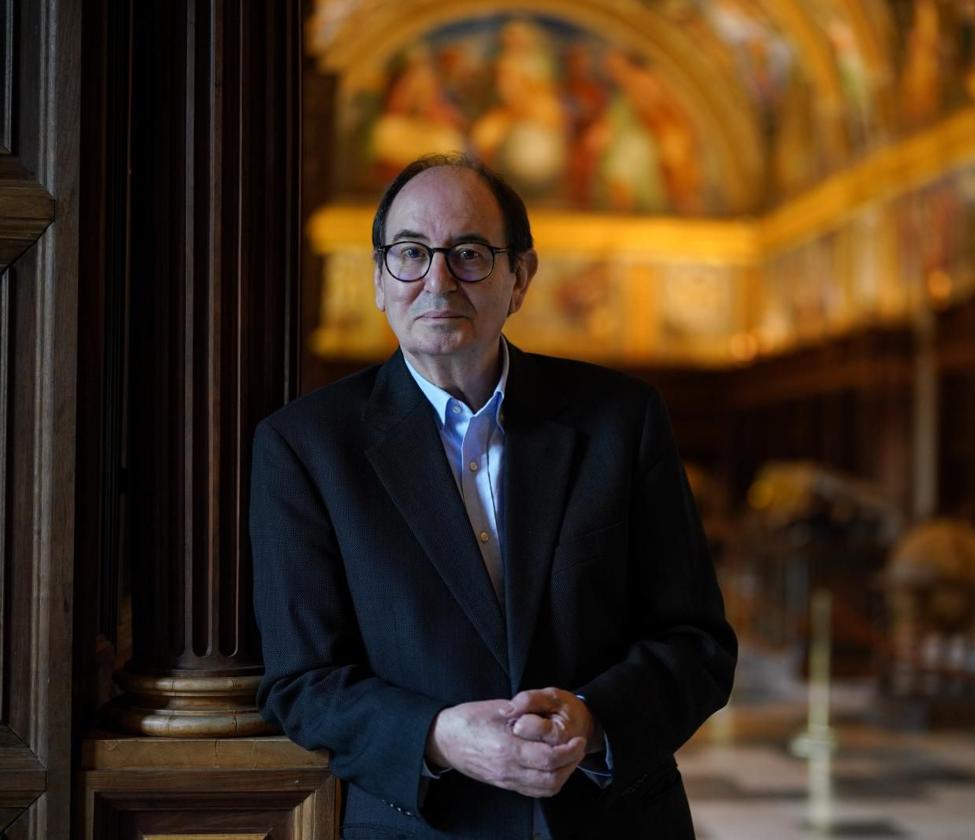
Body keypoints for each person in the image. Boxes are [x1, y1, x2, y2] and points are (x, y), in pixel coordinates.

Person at [250, 153, 737, 840]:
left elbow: (696, 642)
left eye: (470, 253)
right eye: (411, 254)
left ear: (520, 278)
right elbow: (299, 683)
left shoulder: (621, 420)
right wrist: (441, 736)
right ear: (380, 280)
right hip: (422, 825)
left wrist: (594, 719)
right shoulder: (304, 447)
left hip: (616, 821)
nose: (438, 281)